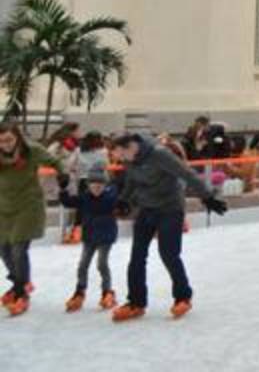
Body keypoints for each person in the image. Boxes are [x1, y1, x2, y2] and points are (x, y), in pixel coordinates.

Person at [110, 133, 227, 322]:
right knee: (137, 257)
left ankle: (183, 297)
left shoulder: (160, 154)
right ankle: (136, 302)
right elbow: (131, 180)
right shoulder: (130, 160)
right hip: (146, 208)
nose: (121, 160)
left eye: (122, 155)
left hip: (170, 209)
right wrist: (124, 200)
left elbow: (186, 173)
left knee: (169, 254)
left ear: (131, 146)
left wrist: (207, 196)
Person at [0, 122, 68, 316]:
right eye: (1, 141)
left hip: (27, 206)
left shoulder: (31, 151)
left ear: (17, 138)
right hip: (3, 207)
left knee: (18, 249)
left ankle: (21, 293)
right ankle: (20, 282)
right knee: (4, 248)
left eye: (9, 140)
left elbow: (55, 161)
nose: (5, 145)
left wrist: (62, 175)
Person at [60, 165, 119, 312]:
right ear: (88, 186)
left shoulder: (111, 198)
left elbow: (124, 202)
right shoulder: (85, 198)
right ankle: (80, 291)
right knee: (83, 265)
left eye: (100, 185)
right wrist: (63, 188)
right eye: (93, 184)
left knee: (102, 264)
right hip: (89, 237)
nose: (96, 187)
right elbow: (67, 202)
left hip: (106, 237)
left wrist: (125, 205)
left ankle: (107, 291)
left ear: (105, 185)